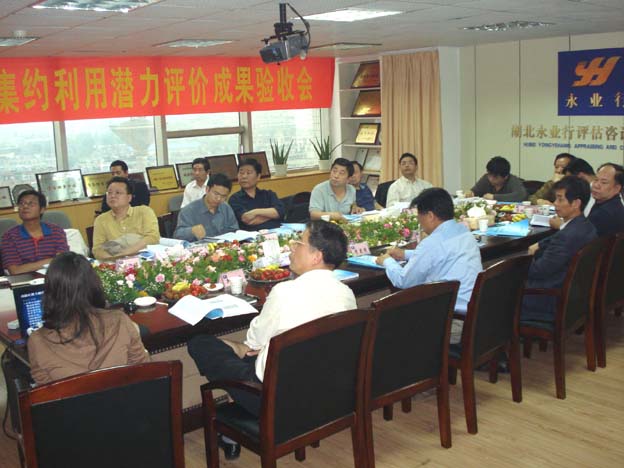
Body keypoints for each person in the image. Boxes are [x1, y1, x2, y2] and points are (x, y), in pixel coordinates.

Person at [187, 220, 356, 458]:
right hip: (325, 391)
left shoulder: (285, 292)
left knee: (201, 343)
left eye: (298, 243)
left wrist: (243, 347)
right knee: (252, 354)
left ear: (316, 256)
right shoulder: (346, 294)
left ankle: (233, 422)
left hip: (275, 398)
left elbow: (253, 341)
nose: (291, 247)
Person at [28, 252, 150, 385]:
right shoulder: (119, 320)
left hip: (73, 399)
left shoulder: (37, 341)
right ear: (94, 284)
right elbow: (142, 370)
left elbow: (45, 391)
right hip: (122, 396)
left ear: (50, 291)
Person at [376, 188, 482, 316]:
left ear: (430, 216)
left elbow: (404, 281)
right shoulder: (464, 232)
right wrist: (405, 254)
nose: (420, 223)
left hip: (451, 317)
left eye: (419, 217)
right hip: (476, 311)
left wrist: (387, 261)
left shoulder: (431, 243)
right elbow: (443, 253)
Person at [521, 176, 597, 322]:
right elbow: (559, 236)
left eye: (560, 199)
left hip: (549, 298)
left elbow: (538, 271)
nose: (555, 203)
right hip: (573, 294)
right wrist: (540, 244)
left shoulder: (566, 238)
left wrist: (517, 266)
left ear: (576, 203)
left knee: (497, 289)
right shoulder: (585, 226)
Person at [1, 190, 69, 275]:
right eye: (21, 203)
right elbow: (15, 270)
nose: (25, 206)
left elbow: (63, 262)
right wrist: (51, 261)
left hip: (55, 278)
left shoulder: (56, 231)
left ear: (42, 209)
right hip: (24, 281)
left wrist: (29, 266)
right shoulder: (9, 236)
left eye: (31, 204)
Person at [92, 177, 160, 260]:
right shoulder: (101, 220)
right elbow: (97, 250)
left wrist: (126, 253)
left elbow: (152, 238)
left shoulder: (144, 212)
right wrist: (117, 258)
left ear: (129, 197)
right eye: (109, 193)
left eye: (118, 192)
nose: (112, 196)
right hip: (115, 262)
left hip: (145, 260)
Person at [174, 173, 238, 241]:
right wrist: (191, 231)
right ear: (207, 189)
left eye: (223, 196)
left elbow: (234, 230)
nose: (219, 198)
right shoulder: (189, 210)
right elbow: (177, 236)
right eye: (216, 194)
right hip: (200, 246)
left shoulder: (226, 208)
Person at [228, 159, 284, 231]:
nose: (244, 176)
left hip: (276, 232)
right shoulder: (234, 199)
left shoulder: (268, 194)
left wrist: (255, 212)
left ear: (258, 176)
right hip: (252, 236)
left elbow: (280, 212)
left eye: (248, 173)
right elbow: (247, 219)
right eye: (241, 173)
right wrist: (271, 215)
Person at [586, 163, 624, 237]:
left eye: (604, 182)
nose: (596, 185)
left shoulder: (604, 213)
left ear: (617, 188)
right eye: (596, 180)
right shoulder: (610, 203)